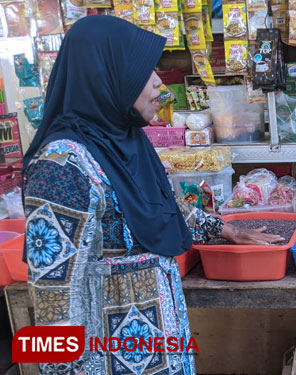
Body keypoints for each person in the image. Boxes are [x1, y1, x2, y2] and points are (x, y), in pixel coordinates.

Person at [22, 15, 282, 374]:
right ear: (108, 75)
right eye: (145, 72)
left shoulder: (124, 139)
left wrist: (222, 229)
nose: (159, 82)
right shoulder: (61, 168)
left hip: (160, 346)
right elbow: (51, 300)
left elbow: (155, 204)